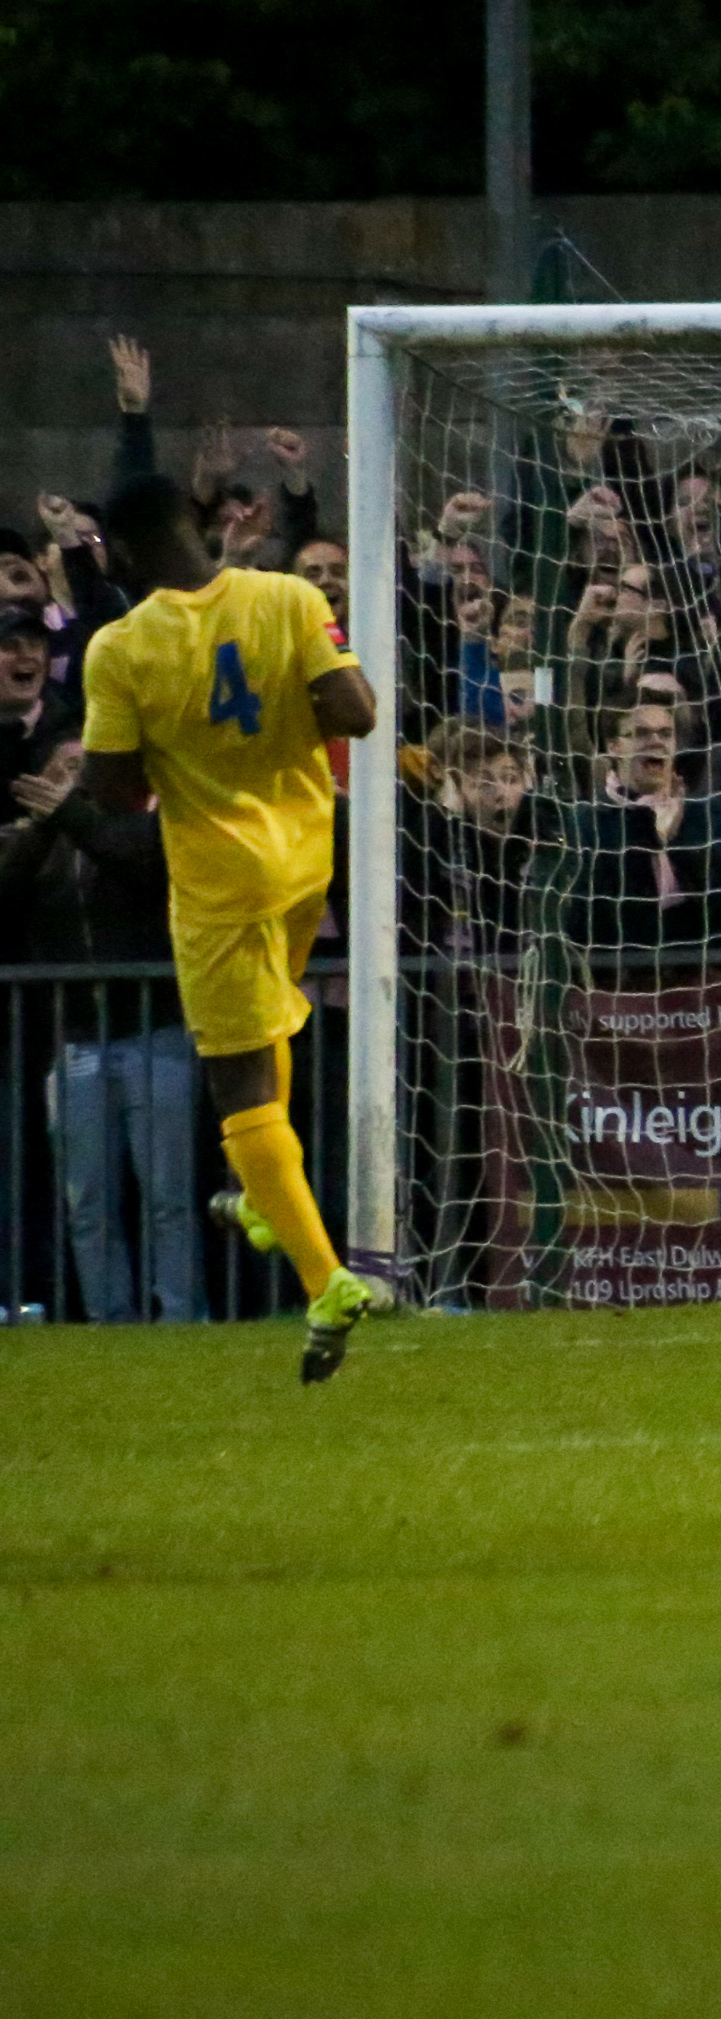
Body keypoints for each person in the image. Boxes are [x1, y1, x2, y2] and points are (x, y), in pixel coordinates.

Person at [68, 474, 392, 1380]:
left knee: (239, 1082)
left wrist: (171, 754)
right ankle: (259, 1194)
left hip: (219, 883)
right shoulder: (287, 597)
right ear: (202, 528)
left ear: (122, 556)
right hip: (305, 861)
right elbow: (357, 715)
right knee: (275, 1012)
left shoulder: (119, 649)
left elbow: (115, 794)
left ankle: (328, 1280)